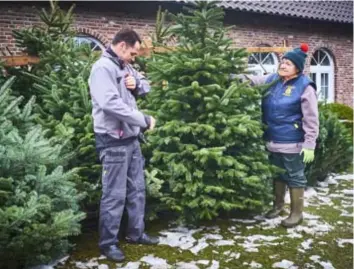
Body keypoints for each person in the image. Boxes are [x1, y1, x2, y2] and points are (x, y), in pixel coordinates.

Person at [89, 28, 159, 262]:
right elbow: (110, 104)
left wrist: (135, 84)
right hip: (112, 140)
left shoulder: (124, 66)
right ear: (121, 47)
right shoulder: (102, 69)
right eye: (133, 53)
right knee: (114, 194)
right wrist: (144, 120)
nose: (134, 58)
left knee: (137, 189)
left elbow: (146, 85)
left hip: (131, 139)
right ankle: (108, 244)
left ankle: (135, 233)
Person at [237, 43, 319, 228]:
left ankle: (297, 214)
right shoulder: (273, 79)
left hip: (292, 141)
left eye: (288, 63)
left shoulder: (305, 87)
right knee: (277, 174)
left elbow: (312, 118)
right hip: (272, 139)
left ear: (297, 68)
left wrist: (309, 144)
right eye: (283, 61)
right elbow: (252, 80)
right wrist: (231, 75)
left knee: (295, 176)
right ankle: (278, 206)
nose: (283, 65)